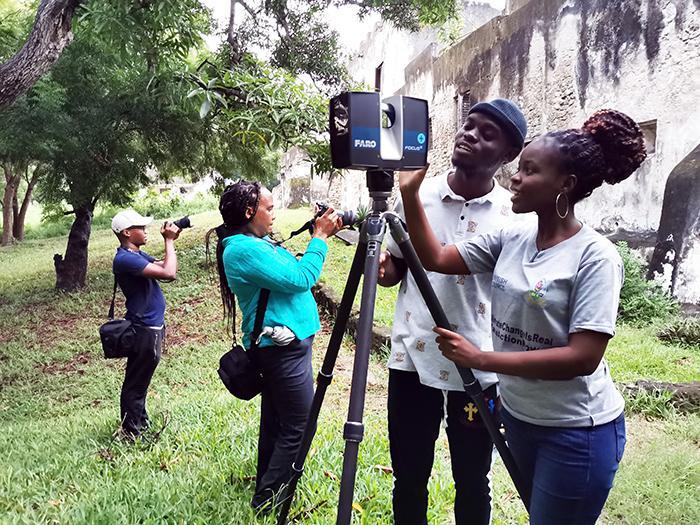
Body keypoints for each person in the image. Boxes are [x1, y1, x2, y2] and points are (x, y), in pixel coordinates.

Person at [399, 109, 646, 524]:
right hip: (521, 419)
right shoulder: (513, 237)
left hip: (575, 431)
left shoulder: (595, 256)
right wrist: (409, 193)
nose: (514, 177)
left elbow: (582, 357)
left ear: (565, 185)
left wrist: (480, 359)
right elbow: (437, 258)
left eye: (529, 170)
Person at [377, 98, 528, 525]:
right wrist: (380, 265)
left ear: (507, 155)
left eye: (486, 133)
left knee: (472, 477)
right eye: (468, 125)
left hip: (478, 361)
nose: (469, 135)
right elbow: (395, 272)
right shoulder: (418, 195)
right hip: (412, 353)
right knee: (408, 474)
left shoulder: (512, 214)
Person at [210, 180, 342, 512]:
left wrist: (313, 233)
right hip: (279, 350)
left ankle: (267, 486)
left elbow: (288, 272)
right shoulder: (242, 249)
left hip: (284, 346)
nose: (274, 213)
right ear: (249, 211)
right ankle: (268, 499)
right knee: (300, 424)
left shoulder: (255, 243)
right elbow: (301, 278)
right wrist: (321, 238)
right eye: (269, 207)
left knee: (278, 421)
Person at [111, 209, 181, 439]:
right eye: (140, 228)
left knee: (140, 379)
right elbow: (169, 273)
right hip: (143, 327)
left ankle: (139, 422)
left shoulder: (137, 254)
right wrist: (168, 240)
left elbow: (165, 265)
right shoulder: (124, 258)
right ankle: (131, 431)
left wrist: (171, 241)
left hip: (151, 326)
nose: (145, 231)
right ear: (127, 233)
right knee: (136, 381)